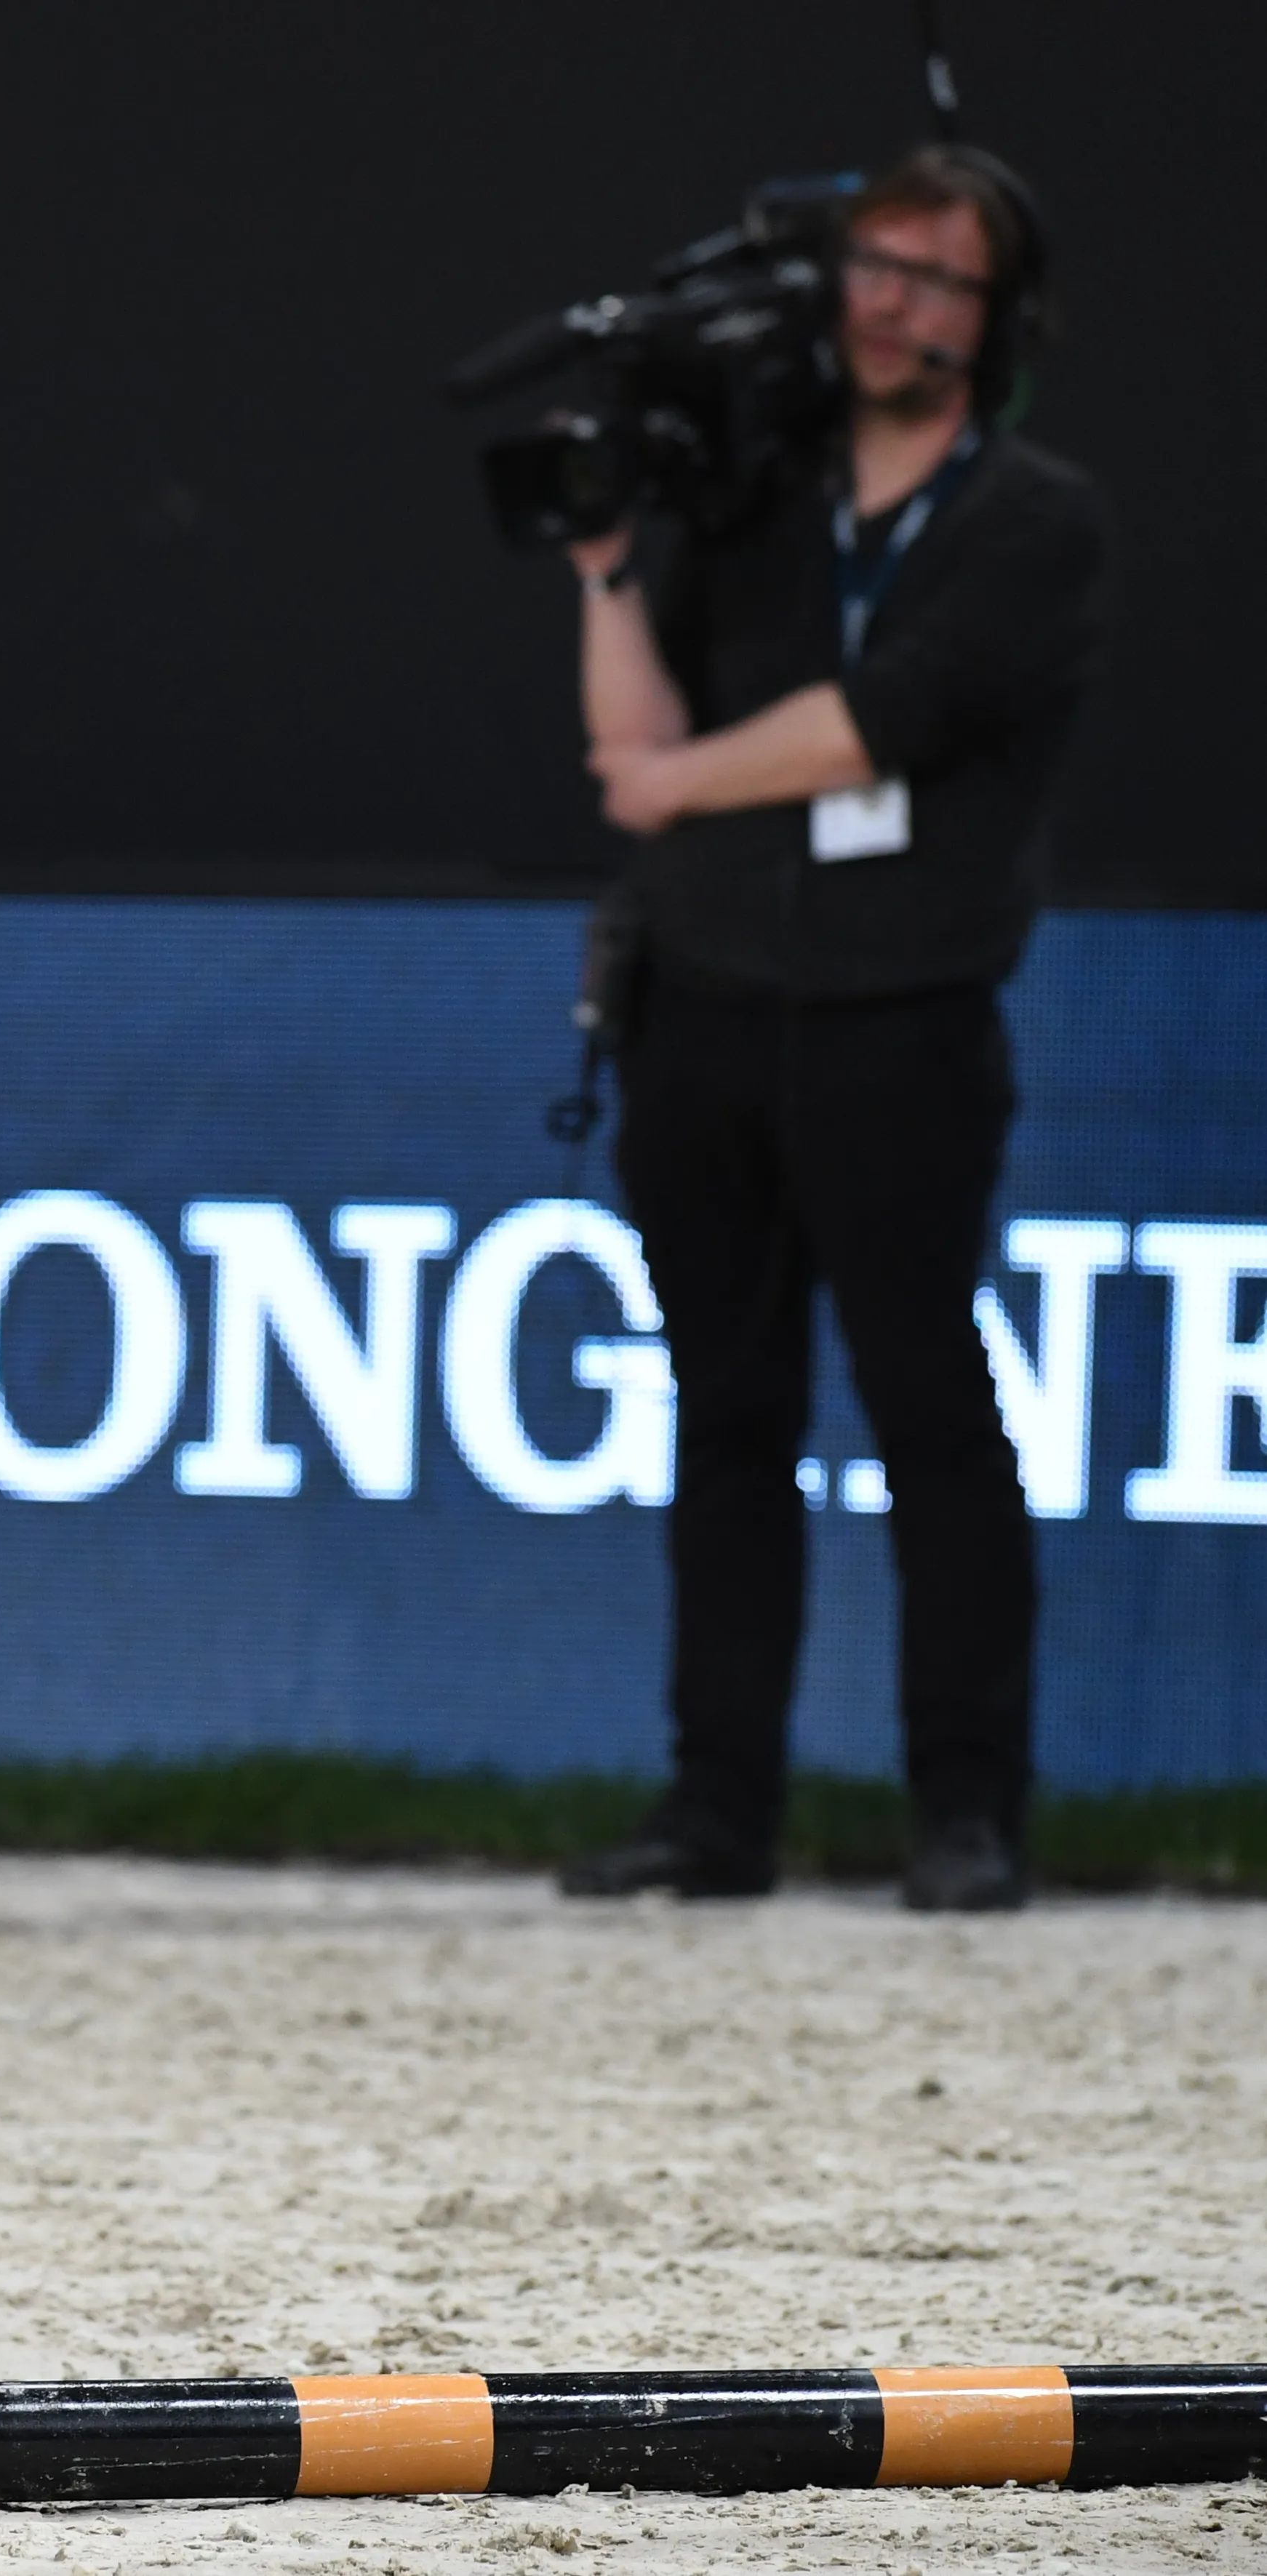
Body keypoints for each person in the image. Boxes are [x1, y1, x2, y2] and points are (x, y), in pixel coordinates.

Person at [553, 148, 1108, 1914]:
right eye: (870, 268)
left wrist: (667, 784)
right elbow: (620, 743)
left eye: (933, 278)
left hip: (902, 1023)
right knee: (722, 1415)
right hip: (701, 1009)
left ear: (995, 313)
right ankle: (716, 1811)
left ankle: (965, 1809)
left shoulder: (1032, 520)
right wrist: (600, 570)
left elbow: (878, 723)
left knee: (929, 1406)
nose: (888, 304)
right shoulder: (749, 500)